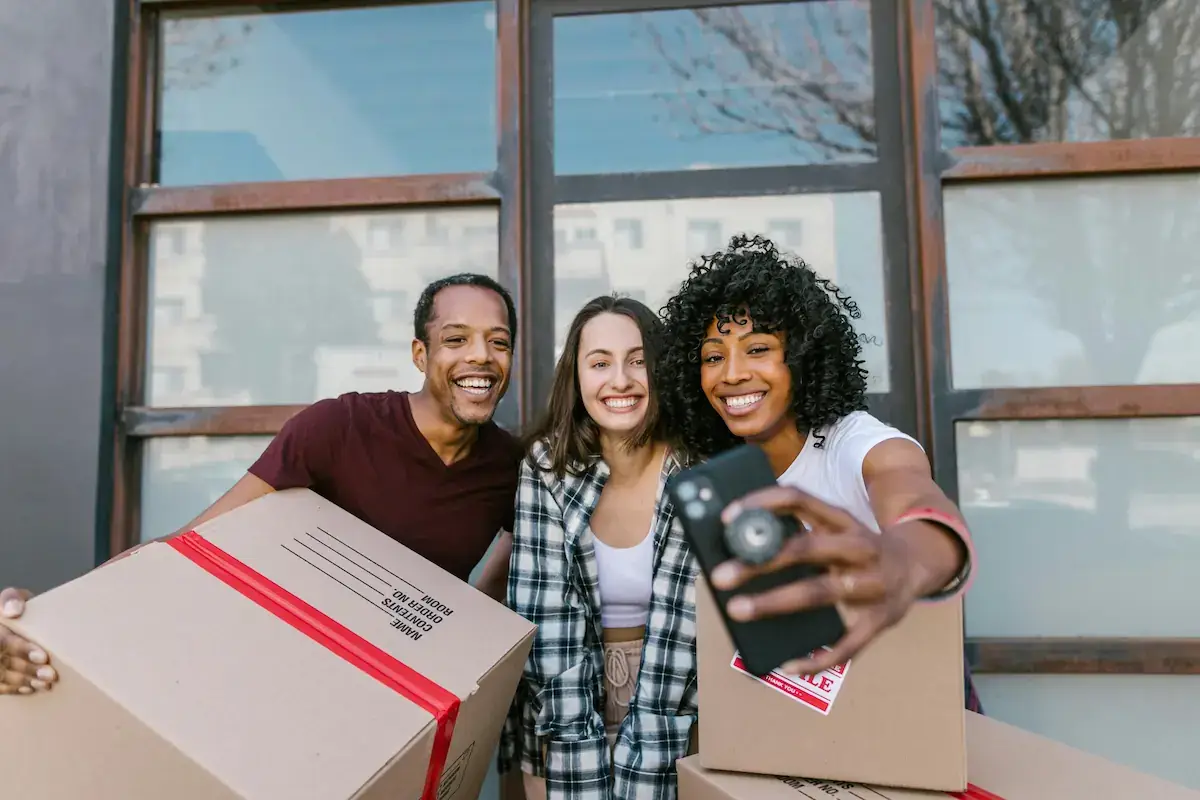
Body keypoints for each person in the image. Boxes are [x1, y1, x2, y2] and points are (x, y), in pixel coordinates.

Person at [0, 273, 523, 696]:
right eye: (456, 339)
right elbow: (189, 548)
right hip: (285, 679)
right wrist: (48, 616)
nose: (480, 356)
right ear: (419, 354)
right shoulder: (339, 429)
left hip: (402, 699)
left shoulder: (510, 469)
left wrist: (471, 620)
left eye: (497, 343)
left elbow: (519, 543)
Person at [656, 234, 980, 694]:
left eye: (758, 349)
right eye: (713, 357)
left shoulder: (852, 441)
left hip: (914, 703)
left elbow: (909, 488)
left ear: (802, 357)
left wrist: (904, 560)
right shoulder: (715, 473)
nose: (731, 374)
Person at [499, 296, 697, 800]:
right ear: (577, 376)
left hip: (680, 698)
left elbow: (685, 632)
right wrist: (570, 751)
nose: (621, 380)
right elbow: (544, 621)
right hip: (563, 695)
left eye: (638, 360)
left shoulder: (696, 467)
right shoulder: (547, 466)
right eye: (600, 362)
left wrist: (653, 755)